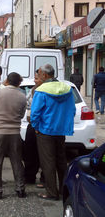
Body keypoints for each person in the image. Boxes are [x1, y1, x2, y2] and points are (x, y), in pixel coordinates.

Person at [31, 64, 75, 201]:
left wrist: (36, 127)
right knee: (61, 160)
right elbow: (72, 110)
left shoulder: (41, 90)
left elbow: (35, 113)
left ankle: (51, 192)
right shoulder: (66, 89)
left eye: (39, 73)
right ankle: (63, 189)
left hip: (45, 130)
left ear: (44, 75)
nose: (38, 76)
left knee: (48, 162)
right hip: (60, 130)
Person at [23, 70, 44, 186]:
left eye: (36, 78)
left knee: (44, 154)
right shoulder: (33, 90)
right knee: (30, 152)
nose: (34, 81)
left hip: (41, 126)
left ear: (43, 77)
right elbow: (26, 102)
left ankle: (44, 178)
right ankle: (30, 176)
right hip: (33, 125)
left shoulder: (44, 91)